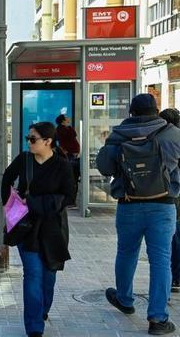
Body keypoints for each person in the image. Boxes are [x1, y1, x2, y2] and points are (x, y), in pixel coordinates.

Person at [97, 93, 180, 336]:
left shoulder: (118, 135)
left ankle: (124, 299)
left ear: (131, 112)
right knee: (161, 260)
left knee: (126, 252)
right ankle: (158, 319)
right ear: (157, 110)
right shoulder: (173, 134)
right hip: (163, 205)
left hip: (128, 204)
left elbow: (104, 167)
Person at [1, 122, 74, 337]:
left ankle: (42, 309)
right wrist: (9, 205)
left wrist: (36, 202)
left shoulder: (62, 165)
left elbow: (69, 196)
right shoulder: (24, 160)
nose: (29, 143)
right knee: (33, 274)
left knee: (49, 274)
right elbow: (6, 179)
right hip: (27, 227)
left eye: (33, 139)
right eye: (28, 138)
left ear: (48, 141)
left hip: (53, 228)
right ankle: (34, 327)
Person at [159, 107, 180, 295]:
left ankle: (175, 277)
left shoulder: (157, 138)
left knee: (173, 238)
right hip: (174, 194)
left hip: (168, 196)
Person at [55, 114, 81, 205]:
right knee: (72, 177)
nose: (68, 119)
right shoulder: (61, 130)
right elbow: (69, 137)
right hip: (69, 154)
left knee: (74, 176)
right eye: (66, 118)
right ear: (63, 121)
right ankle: (70, 200)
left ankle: (71, 200)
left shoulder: (67, 128)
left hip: (72, 154)